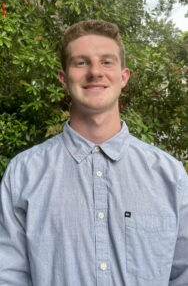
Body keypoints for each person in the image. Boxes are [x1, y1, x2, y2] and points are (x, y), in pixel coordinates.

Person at [0, 20, 187, 286]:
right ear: (63, 79)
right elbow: (8, 277)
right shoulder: (24, 174)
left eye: (107, 62)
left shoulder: (170, 176)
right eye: (81, 62)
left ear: (124, 77)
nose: (95, 72)